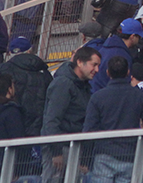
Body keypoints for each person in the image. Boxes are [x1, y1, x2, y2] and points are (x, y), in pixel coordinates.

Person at [83, 56, 143, 183]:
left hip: (103, 155)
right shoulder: (139, 96)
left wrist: (86, 159)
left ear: (108, 72)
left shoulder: (97, 97)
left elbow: (89, 130)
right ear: (128, 72)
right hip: (130, 155)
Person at [41, 47, 100, 183]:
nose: (97, 70)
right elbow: (51, 119)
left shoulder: (83, 86)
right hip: (60, 147)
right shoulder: (63, 84)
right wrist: (56, 152)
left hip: (73, 146)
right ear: (80, 62)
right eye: (94, 65)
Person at [0, 38, 52, 137]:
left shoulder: (1, 69)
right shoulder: (42, 71)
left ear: (10, 53)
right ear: (30, 51)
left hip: (8, 128)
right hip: (38, 129)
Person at [91, 18, 143, 92]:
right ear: (132, 37)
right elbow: (122, 87)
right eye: (139, 36)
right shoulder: (122, 56)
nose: (139, 39)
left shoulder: (106, 47)